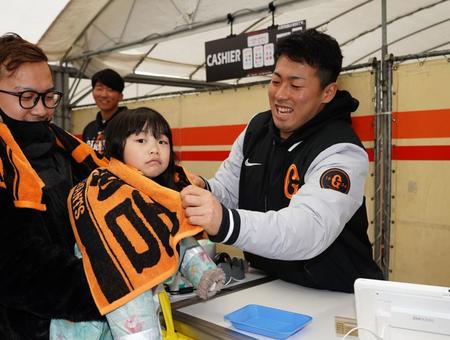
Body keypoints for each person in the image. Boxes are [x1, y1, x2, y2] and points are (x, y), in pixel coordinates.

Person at [181, 28, 384, 293]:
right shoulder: (256, 130)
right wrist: (203, 189)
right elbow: (230, 191)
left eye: (296, 85)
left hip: (336, 295)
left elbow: (308, 228)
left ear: (328, 92)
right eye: (276, 81)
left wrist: (225, 222)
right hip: (270, 283)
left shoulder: (341, 151)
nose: (280, 94)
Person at [52, 107, 225, 339]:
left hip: (143, 312)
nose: (155, 148)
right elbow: (124, 273)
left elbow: (174, 237)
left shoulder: (158, 192)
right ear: (116, 146)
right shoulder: (104, 192)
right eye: (141, 140)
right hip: (97, 323)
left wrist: (203, 272)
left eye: (163, 141)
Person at [0, 33, 108, 339]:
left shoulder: (68, 150)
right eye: (26, 96)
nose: (41, 109)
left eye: (48, 96)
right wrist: (115, 284)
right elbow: (21, 271)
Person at [82, 68, 127, 153]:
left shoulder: (129, 125)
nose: (104, 95)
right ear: (92, 92)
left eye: (110, 90)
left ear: (120, 96)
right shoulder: (89, 129)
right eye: (99, 89)